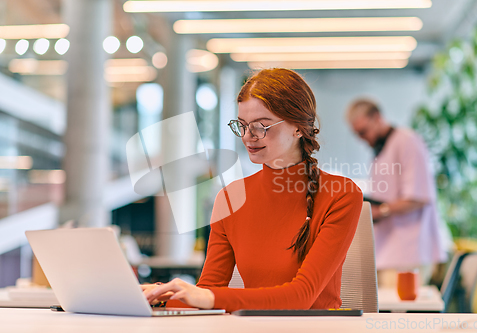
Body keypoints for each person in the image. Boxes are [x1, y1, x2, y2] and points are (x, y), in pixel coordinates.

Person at [142, 68, 363, 312]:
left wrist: (210, 298)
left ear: (299, 127)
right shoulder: (230, 198)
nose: (248, 136)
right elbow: (208, 290)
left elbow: (301, 297)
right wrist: (158, 295)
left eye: (261, 126)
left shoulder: (341, 194)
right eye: (242, 125)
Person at [345, 98, 449, 287]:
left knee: (399, 314)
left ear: (377, 117)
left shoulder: (407, 141)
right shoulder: (380, 150)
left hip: (410, 252)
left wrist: (381, 211)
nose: (362, 138)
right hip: (390, 250)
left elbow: (419, 197)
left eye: (363, 131)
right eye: (357, 134)